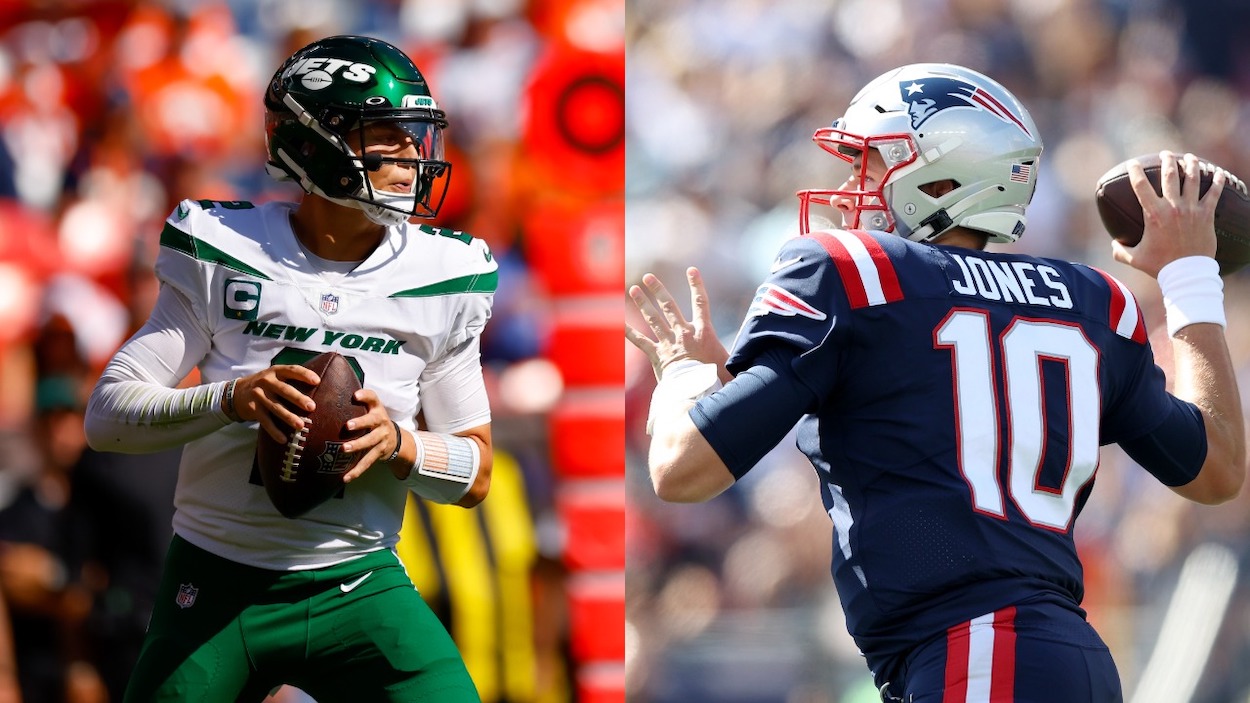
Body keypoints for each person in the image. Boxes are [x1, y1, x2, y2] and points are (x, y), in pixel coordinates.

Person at [625, 63, 1245, 702]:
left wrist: (685, 372)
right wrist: (1190, 276)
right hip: (1053, 656)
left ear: (940, 174)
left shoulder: (852, 271)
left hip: (980, 653)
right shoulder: (1092, 301)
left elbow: (681, 467)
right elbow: (1216, 468)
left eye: (869, 165)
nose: (846, 189)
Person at [84, 34, 497, 702]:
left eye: (413, 135)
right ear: (314, 143)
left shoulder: (448, 275)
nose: (409, 157)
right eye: (383, 135)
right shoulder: (223, 249)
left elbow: (476, 473)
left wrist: (399, 443)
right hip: (217, 582)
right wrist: (231, 399)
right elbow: (107, 417)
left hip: (360, 583)